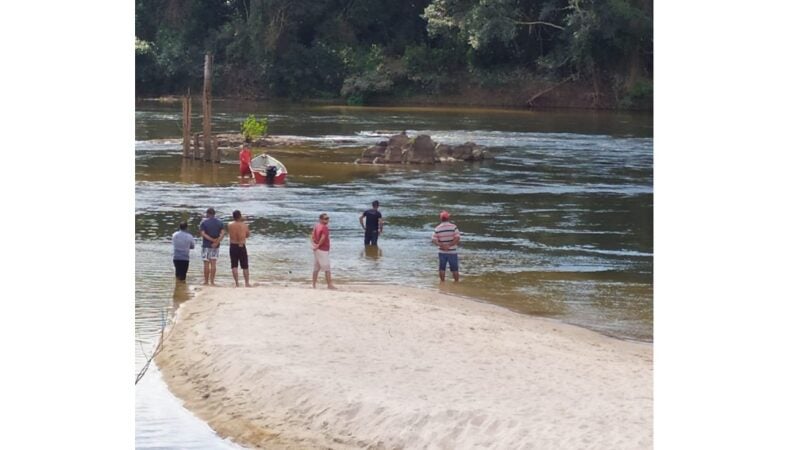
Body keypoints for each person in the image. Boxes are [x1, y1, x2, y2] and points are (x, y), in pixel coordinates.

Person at [431, 210, 461, 282]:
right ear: (448, 218)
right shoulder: (453, 227)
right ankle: (456, 283)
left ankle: (442, 282)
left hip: (442, 251)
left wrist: (441, 245)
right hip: (452, 251)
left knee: (442, 268)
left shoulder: (437, 228)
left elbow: (434, 239)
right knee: (455, 269)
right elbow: (457, 238)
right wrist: (450, 245)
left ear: (441, 219)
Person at [199, 207, 225, 285]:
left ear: (208, 214)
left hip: (206, 245)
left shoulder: (203, 222)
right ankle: (212, 282)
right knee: (213, 263)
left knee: (206, 263)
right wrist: (217, 241)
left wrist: (211, 240)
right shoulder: (220, 222)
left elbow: (203, 234)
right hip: (215, 246)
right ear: (214, 214)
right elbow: (223, 233)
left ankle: (206, 281)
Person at [311, 213, 336, 289]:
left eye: (328, 218)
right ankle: (329, 285)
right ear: (320, 219)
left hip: (317, 249)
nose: (327, 220)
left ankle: (313, 285)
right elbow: (323, 237)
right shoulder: (324, 227)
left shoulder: (316, 226)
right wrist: (318, 245)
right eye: (325, 218)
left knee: (316, 268)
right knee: (327, 268)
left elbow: (312, 236)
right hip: (322, 249)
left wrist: (314, 245)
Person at [227, 209, 251, 287]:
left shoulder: (230, 224)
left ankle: (237, 283)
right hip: (241, 245)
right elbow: (248, 235)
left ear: (233, 217)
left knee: (234, 265)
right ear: (240, 216)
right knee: (245, 266)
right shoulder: (244, 225)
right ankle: (246, 283)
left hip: (233, 245)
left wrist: (240, 218)